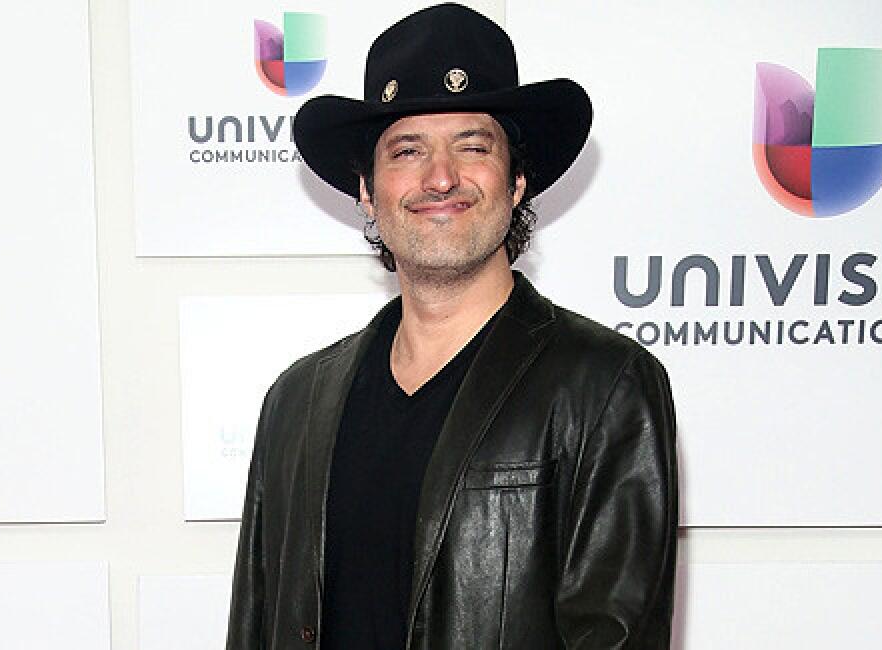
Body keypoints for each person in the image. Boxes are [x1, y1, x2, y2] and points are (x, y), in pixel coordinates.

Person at [226, 4, 678, 648]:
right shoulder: (297, 401)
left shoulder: (604, 387)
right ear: (367, 189)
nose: (441, 177)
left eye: (472, 146)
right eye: (408, 150)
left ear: (518, 181)